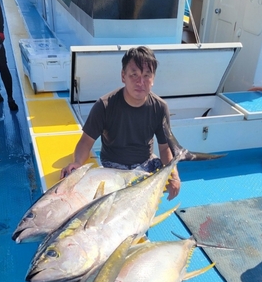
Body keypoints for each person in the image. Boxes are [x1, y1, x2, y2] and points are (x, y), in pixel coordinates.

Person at [60, 46, 180, 200]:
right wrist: (77, 162)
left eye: (146, 75)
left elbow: (164, 149)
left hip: (144, 164)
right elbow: (85, 142)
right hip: (112, 167)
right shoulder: (104, 105)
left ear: (153, 79)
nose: (140, 82)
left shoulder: (160, 107)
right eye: (134, 75)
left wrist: (173, 175)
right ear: (123, 76)